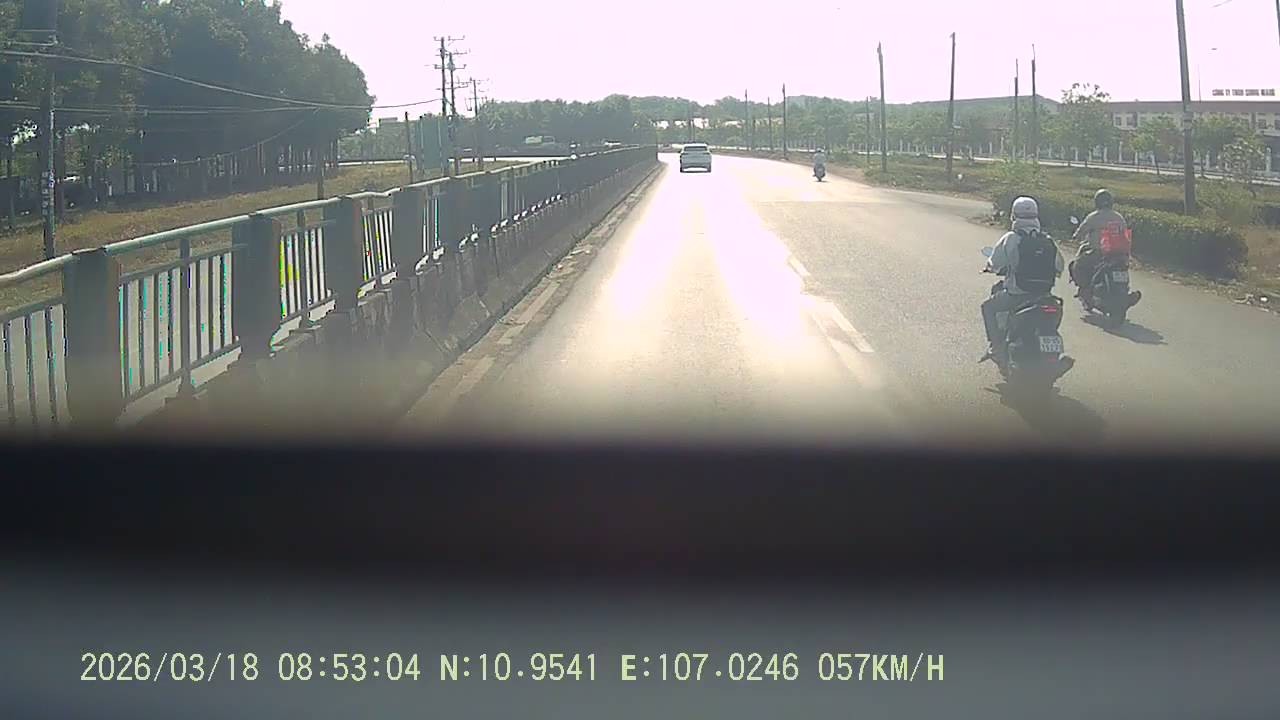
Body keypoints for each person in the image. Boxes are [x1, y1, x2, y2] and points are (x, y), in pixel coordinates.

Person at [981, 196, 1065, 367]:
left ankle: (996, 346)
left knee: (988, 307)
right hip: (1044, 296)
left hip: (1017, 295)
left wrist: (990, 267)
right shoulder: (1047, 240)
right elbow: (1060, 267)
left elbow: (995, 263)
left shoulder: (1011, 238)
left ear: (1013, 215)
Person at [1070, 188, 1139, 307]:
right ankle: (1124, 295)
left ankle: (1086, 291)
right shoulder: (1119, 217)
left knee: (1077, 267)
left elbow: (1080, 232)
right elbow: (1125, 235)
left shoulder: (1094, 216)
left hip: (1097, 253)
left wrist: (1075, 236)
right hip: (1118, 254)